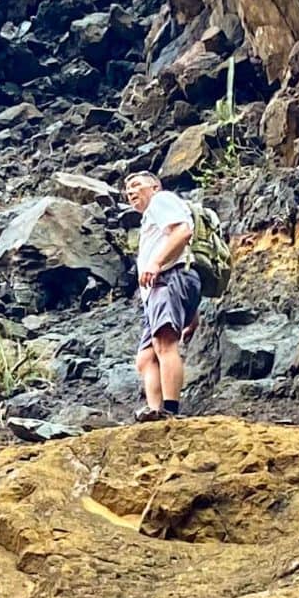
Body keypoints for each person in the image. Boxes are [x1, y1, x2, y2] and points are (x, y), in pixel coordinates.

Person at [125, 170, 200, 419]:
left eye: (136, 185)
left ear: (154, 187)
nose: (131, 192)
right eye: (127, 191)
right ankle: (155, 413)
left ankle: (170, 411)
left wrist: (156, 263)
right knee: (146, 358)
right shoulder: (152, 216)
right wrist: (193, 310)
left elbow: (182, 232)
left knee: (164, 343)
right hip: (164, 286)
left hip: (168, 279)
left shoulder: (161, 200)